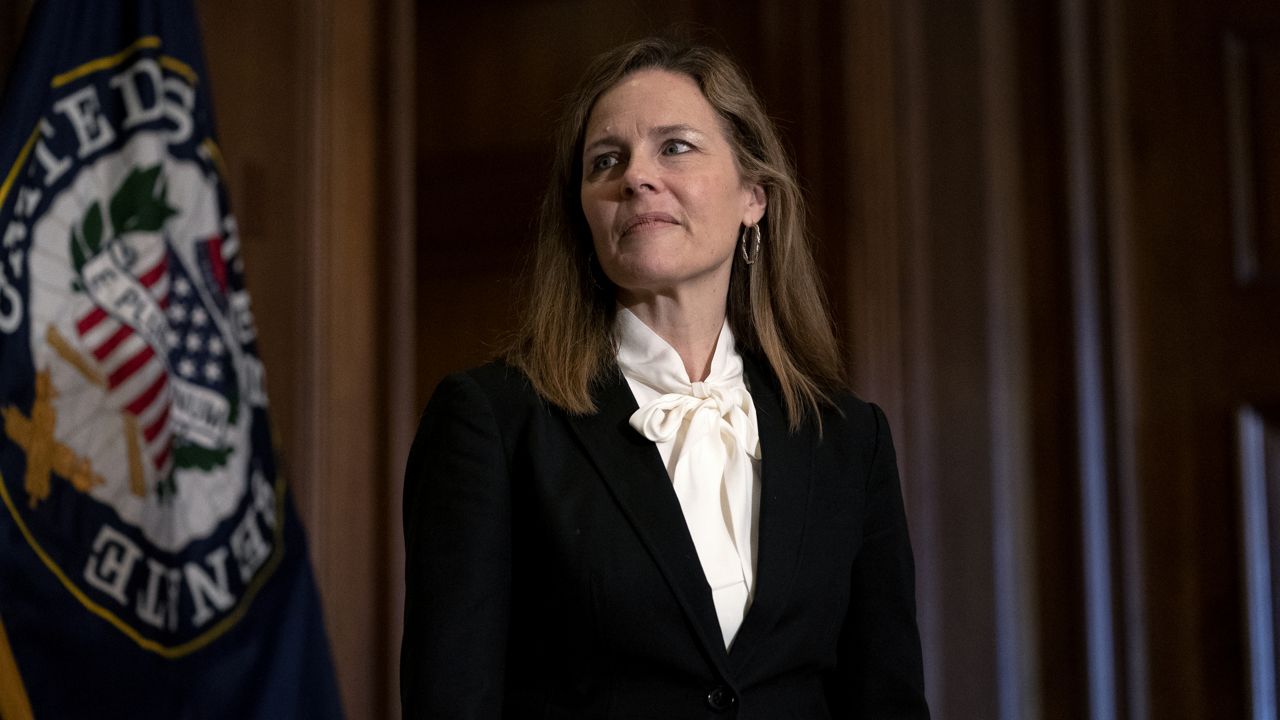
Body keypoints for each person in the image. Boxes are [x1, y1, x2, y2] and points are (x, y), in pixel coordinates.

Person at [401, 36, 929, 719]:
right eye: (606, 161)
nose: (637, 177)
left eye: (674, 146)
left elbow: (885, 701)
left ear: (754, 197)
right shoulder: (493, 421)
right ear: (584, 215)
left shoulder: (850, 440)